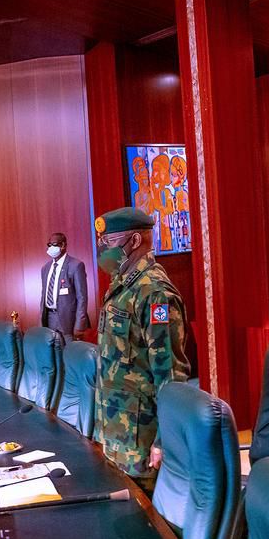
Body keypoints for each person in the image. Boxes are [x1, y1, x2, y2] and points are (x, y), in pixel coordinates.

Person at [93, 208, 190, 494]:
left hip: (141, 437)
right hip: (115, 432)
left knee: (144, 524)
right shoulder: (123, 283)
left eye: (109, 242)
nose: (104, 251)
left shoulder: (155, 293)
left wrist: (164, 440)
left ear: (134, 241)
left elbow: (171, 374)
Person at [39, 232, 90, 341]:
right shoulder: (45, 268)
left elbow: (82, 297)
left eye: (55, 244)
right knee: (53, 354)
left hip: (69, 321)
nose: (51, 248)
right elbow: (44, 296)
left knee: (70, 354)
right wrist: (41, 321)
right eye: (49, 245)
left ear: (63, 245)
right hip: (49, 318)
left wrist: (79, 325)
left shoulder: (76, 265)